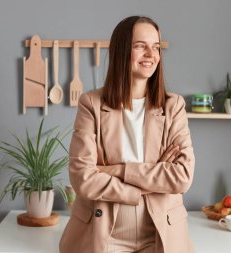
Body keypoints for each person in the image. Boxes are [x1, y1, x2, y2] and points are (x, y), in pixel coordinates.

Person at [60, 16, 195, 253]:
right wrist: (145, 184)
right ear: (122, 51)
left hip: (160, 234)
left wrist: (118, 170)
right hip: (103, 235)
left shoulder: (174, 106)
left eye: (155, 47)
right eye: (140, 46)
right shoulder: (91, 104)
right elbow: (83, 177)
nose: (151, 54)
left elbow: (182, 176)